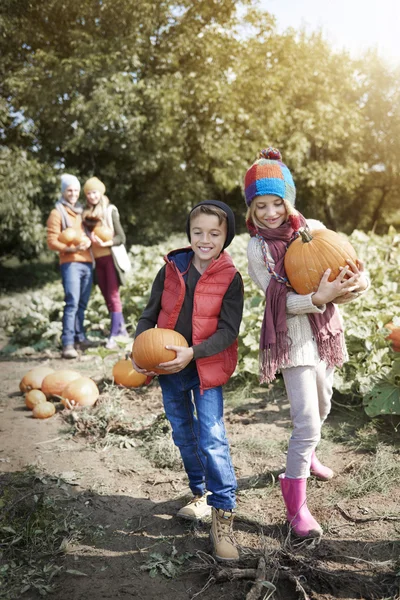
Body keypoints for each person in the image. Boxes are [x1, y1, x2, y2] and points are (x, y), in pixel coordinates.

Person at [244, 147, 368, 538]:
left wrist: (355, 285)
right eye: (260, 205)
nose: (269, 212)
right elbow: (274, 299)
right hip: (292, 342)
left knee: (325, 401)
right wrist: (318, 298)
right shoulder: (256, 248)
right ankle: (296, 506)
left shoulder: (312, 228)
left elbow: (348, 270)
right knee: (306, 422)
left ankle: (309, 454)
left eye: (276, 202)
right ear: (251, 209)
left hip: (324, 334)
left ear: (288, 200)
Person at [131, 200, 244, 561]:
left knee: (211, 435)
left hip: (204, 367)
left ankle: (223, 514)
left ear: (226, 236)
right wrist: (140, 352)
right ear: (189, 234)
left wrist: (193, 353)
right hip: (167, 366)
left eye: (214, 233)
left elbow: (228, 331)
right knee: (182, 431)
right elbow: (150, 316)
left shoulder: (231, 277)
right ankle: (201, 494)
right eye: (198, 232)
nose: (205, 239)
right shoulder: (170, 270)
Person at [47, 174, 93, 359]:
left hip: (87, 263)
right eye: (69, 190)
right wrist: (71, 248)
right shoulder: (57, 213)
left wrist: (89, 242)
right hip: (70, 263)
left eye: (75, 190)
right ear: (63, 191)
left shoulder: (82, 212)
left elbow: (90, 233)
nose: (73, 194)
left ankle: (79, 338)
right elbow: (51, 241)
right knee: (72, 302)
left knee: (82, 304)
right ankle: (67, 343)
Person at [82, 177, 129, 349]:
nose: (92, 196)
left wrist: (106, 243)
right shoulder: (86, 214)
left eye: (94, 192)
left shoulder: (110, 210)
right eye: (88, 193)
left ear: (100, 192)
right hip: (97, 261)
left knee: (113, 295)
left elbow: (121, 237)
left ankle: (113, 335)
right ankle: (122, 331)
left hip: (110, 259)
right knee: (107, 297)